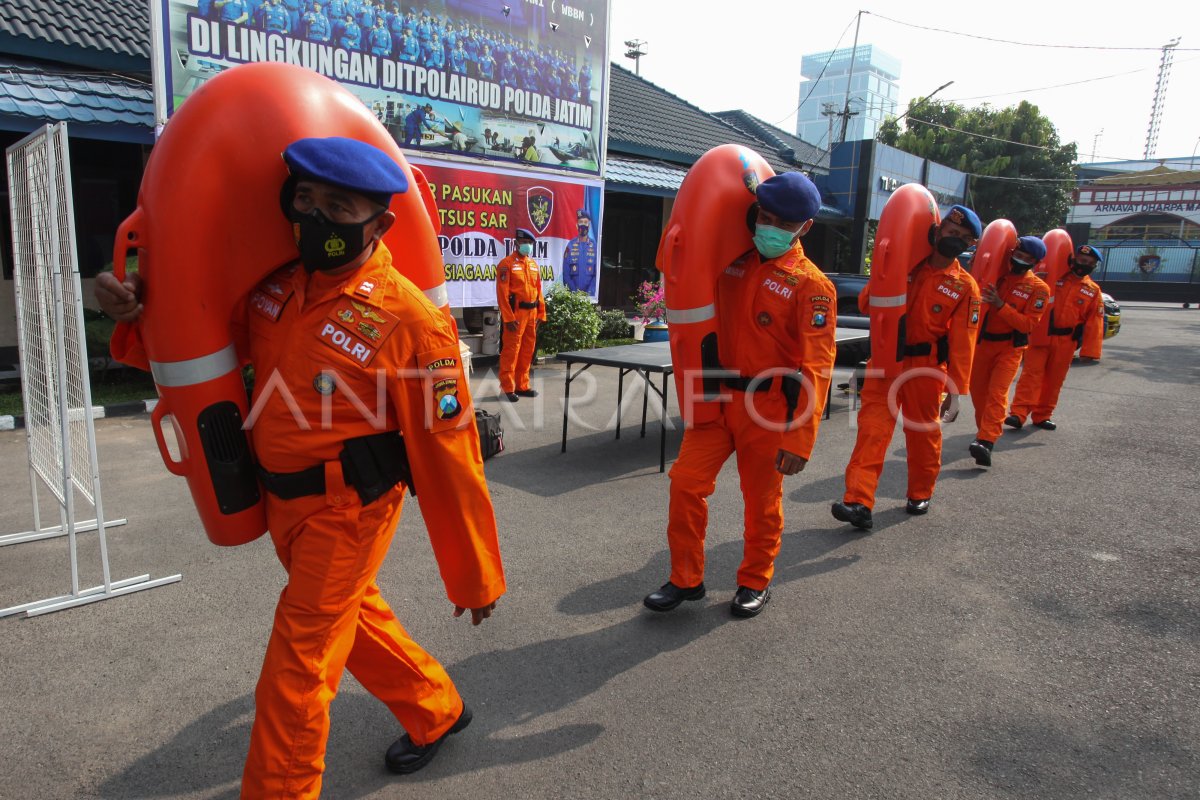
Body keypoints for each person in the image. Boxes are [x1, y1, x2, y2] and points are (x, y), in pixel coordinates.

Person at [94, 137, 506, 799]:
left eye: (337, 207)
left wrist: (474, 575)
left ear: (381, 225)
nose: (314, 218)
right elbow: (198, 349)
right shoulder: (275, 292)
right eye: (304, 200)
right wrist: (134, 313)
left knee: (297, 674)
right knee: (357, 620)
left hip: (348, 512)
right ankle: (437, 709)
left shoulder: (410, 321)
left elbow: (448, 452)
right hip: (282, 503)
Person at [643, 172, 838, 618]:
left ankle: (755, 581)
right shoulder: (733, 262)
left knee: (761, 502)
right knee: (685, 484)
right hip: (715, 399)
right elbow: (682, 270)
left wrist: (800, 438)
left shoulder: (813, 286)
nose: (769, 228)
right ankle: (685, 579)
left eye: (782, 223)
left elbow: (818, 366)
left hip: (769, 409)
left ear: (804, 227)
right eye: (763, 217)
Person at [832, 204, 983, 530]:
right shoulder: (906, 264)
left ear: (970, 245)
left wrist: (956, 392)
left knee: (923, 434)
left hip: (927, 369)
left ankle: (920, 492)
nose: (953, 238)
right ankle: (858, 501)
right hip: (885, 360)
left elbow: (963, 343)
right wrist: (887, 274)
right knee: (872, 430)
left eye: (962, 237)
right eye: (950, 231)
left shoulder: (965, 286)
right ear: (937, 231)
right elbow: (865, 305)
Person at [967, 235, 1051, 467]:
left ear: (1035, 262)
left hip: (1010, 348)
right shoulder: (996, 276)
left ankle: (986, 441)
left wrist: (1000, 306)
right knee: (979, 395)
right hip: (982, 345)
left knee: (997, 393)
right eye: (1018, 254)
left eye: (1027, 258)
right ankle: (982, 432)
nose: (1020, 260)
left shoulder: (1039, 289)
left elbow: (1028, 325)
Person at [1006, 243, 1106, 431]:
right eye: (1082, 260)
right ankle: (1018, 414)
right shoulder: (1053, 278)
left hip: (1066, 341)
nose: (1084, 264)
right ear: (1074, 259)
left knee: (1055, 380)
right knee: (1031, 375)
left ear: (1094, 266)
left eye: (1089, 262)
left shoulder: (1092, 290)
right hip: (1041, 334)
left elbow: (1096, 320)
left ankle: (1043, 415)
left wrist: (1090, 352)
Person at [495, 228, 545, 402]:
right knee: (511, 351)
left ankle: (522, 385)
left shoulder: (533, 265)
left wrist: (541, 313)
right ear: (516, 243)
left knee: (527, 351)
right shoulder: (506, 264)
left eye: (530, 244)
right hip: (515, 315)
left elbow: (539, 290)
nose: (527, 246)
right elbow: (502, 294)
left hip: (531, 314)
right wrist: (508, 318)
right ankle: (508, 388)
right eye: (524, 243)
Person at [562, 209, 598, 295]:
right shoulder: (570, 245)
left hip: (590, 296)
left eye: (585, 222)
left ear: (589, 226)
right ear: (577, 226)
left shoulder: (594, 246)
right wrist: (574, 292)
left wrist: (589, 293)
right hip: (573, 295)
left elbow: (596, 273)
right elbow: (566, 273)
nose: (583, 225)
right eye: (581, 222)